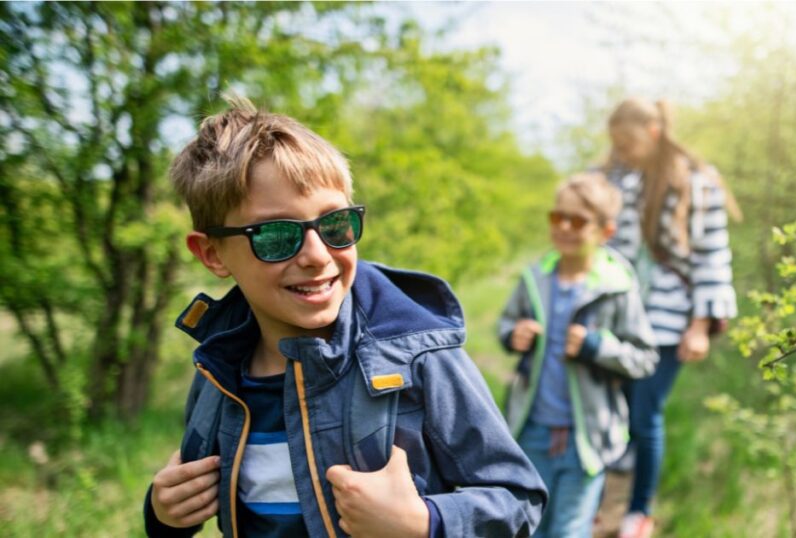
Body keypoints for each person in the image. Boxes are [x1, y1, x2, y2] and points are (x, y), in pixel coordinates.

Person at [143, 96, 547, 538]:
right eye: (276, 235)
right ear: (212, 253)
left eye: (335, 224)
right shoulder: (217, 371)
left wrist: (423, 523)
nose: (317, 256)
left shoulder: (417, 356)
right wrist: (164, 515)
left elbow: (519, 499)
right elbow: (192, 500)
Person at [604, 98, 741, 538]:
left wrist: (701, 326)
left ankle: (638, 511)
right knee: (615, 404)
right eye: (615, 143)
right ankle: (606, 493)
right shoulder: (617, 177)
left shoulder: (698, 180)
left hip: (668, 319)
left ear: (654, 131)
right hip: (619, 316)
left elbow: (712, 257)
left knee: (646, 412)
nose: (621, 150)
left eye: (628, 142)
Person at [499, 172, 658, 538]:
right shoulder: (534, 278)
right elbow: (507, 323)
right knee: (528, 527)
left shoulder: (617, 286)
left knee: (568, 530)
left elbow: (644, 356)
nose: (565, 227)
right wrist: (514, 335)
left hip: (585, 439)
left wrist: (596, 346)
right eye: (558, 217)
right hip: (530, 430)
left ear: (606, 231)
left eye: (579, 221)